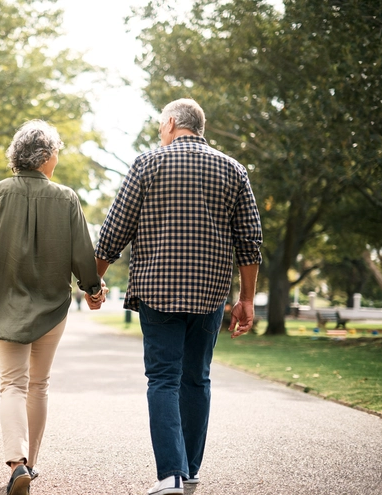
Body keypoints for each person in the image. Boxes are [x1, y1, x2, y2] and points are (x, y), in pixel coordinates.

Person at [93, 98, 262, 495]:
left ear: (171, 123)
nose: (158, 132)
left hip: (158, 290)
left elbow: (115, 230)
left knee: (164, 379)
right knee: (196, 379)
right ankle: (190, 473)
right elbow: (250, 242)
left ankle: (171, 474)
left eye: (159, 125)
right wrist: (247, 299)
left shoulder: (147, 164)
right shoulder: (233, 169)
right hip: (210, 293)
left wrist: (92, 281)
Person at [0, 119, 105, 495]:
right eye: (56, 151)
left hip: (4, 300)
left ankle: (17, 463)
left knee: (12, 383)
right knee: (38, 385)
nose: (57, 158)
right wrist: (93, 289)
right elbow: (81, 255)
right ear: (45, 156)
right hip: (51, 307)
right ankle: (31, 464)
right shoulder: (67, 198)